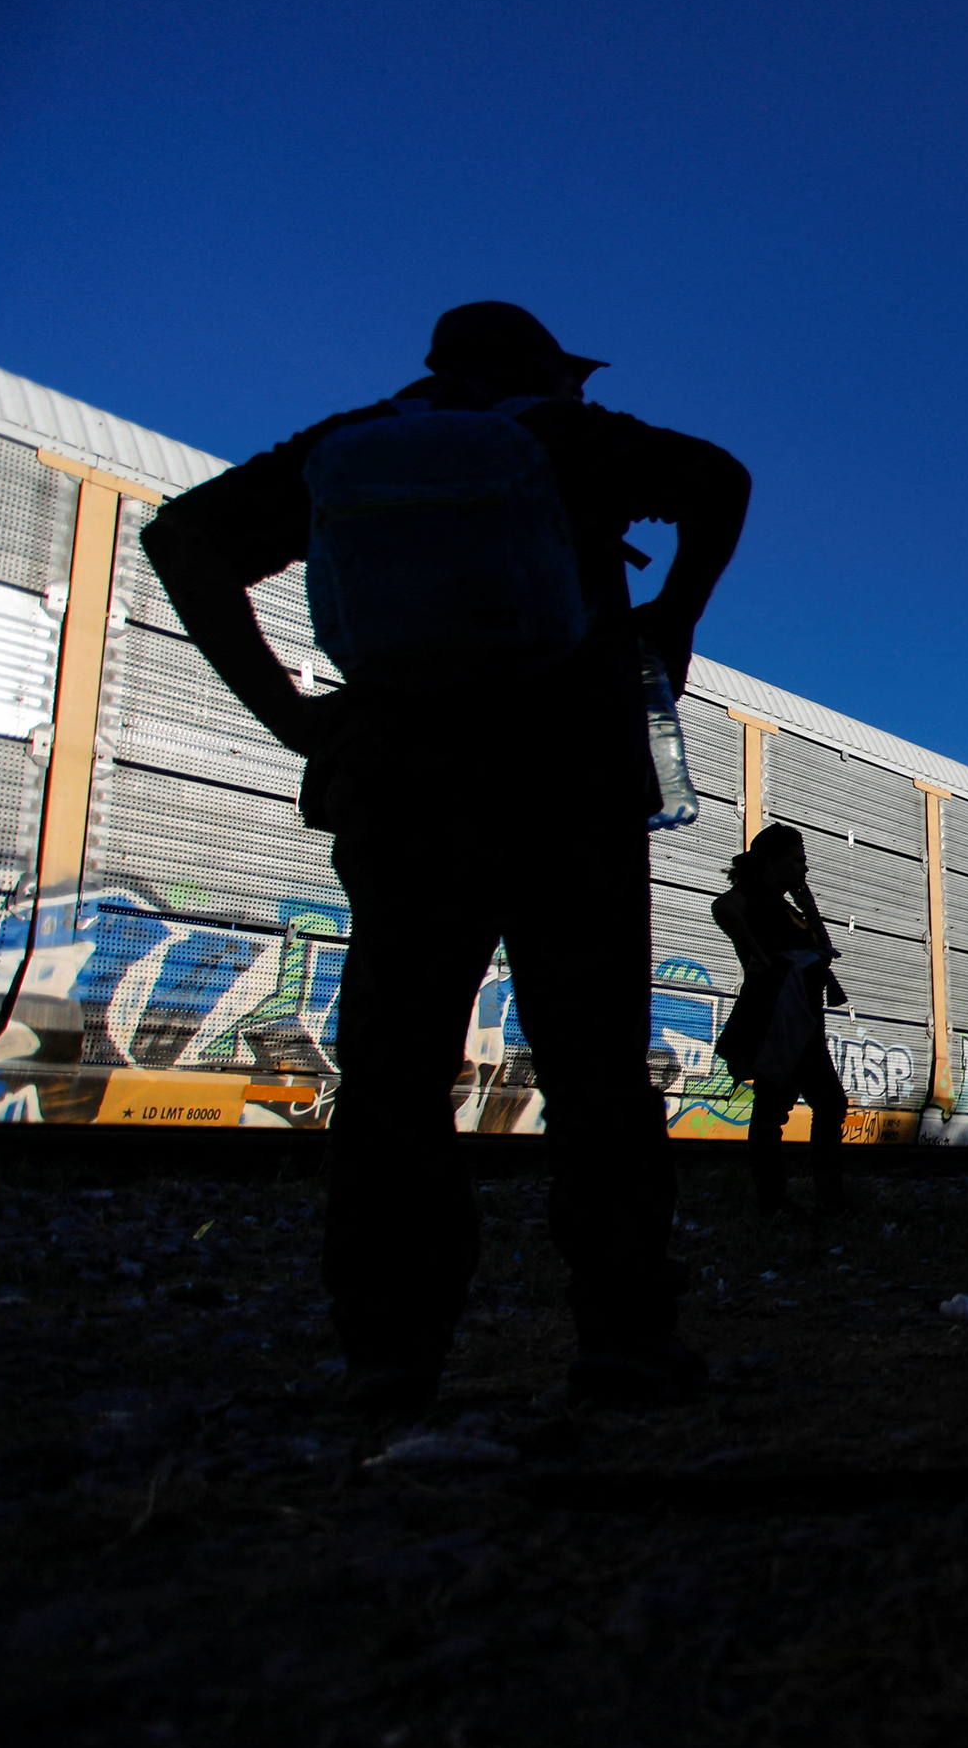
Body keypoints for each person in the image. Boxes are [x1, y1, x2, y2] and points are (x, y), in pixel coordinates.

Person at [141, 301, 751, 1415]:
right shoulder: (569, 437)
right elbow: (720, 478)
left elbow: (180, 539)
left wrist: (291, 714)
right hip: (568, 773)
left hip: (400, 779)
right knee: (596, 1064)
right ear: (540, 370)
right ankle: (623, 1337)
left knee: (395, 1068)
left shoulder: (347, 445)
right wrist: (673, 617)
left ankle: (390, 1350)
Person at [711, 825, 849, 1215]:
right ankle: (793, 1199)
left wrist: (810, 909)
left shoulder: (788, 905)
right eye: (797, 859)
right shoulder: (756, 896)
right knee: (798, 1106)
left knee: (794, 1106)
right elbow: (724, 908)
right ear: (772, 862)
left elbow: (822, 949)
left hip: (802, 1019)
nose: (804, 867)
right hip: (779, 1020)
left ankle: (800, 1198)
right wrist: (755, 954)